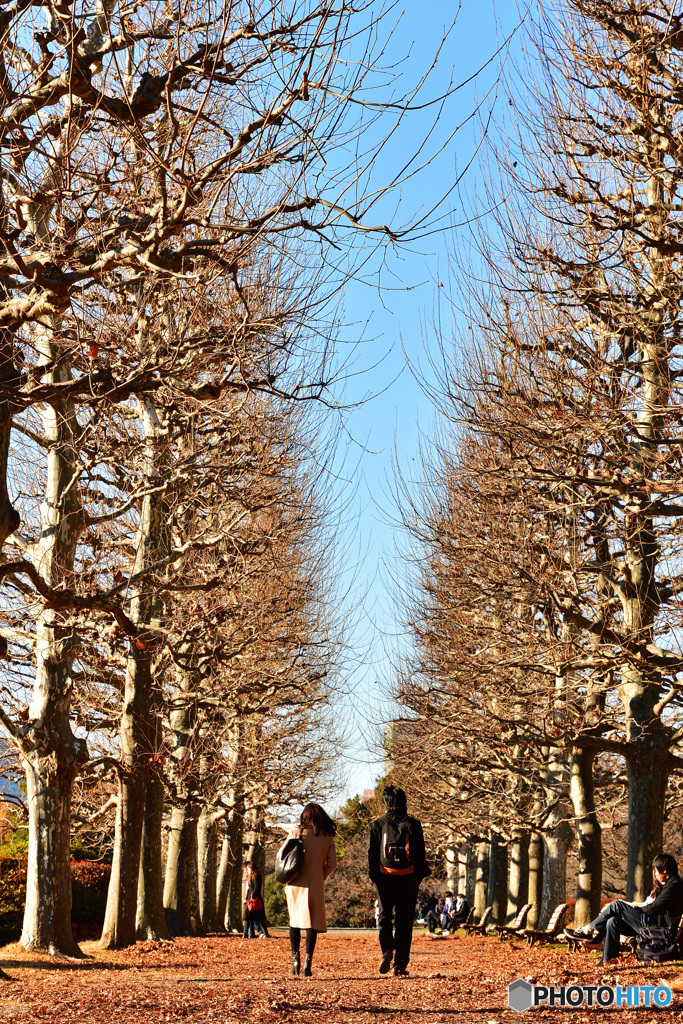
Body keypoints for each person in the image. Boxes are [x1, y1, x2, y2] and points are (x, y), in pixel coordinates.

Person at [564, 853, 683, 963]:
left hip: (660, 930)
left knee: (617, 905)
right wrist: (632, 910)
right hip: (655, 925)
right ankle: (608, 960)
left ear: (664, 870)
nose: (655, 875)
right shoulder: (669, 885)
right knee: (613, 921)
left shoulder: (673, 886)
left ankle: (589, 931)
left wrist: (632, 911)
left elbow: (653, 909)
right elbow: (653, 907)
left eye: (656, 871)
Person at [368, 785, 430, 976]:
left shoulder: (378, 825)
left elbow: (372, 855)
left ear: (386, 802)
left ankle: (387, 949)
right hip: (408, 878)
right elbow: (420, 854)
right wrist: (417, 877)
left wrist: (375, 877)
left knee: (384, 916)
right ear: (404, 802)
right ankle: (400, 965)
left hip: (384, 877)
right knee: (404, 920)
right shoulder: (414, 824)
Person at [285, 802, 337, 977]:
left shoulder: (295, 832)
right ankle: (308, 962)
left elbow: (282, 856)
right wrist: (321, 875)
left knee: (294, 921)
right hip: (315, 883)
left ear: (304, 816)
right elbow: (332, 863)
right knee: (312, 923)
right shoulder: (327, 837)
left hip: (294, 882)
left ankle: (295, 961)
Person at [243, 862, 269, 939]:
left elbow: (257, 888)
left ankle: (265, 933)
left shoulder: (256, 876)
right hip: (250, 899)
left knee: (258, 918)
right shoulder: (250, 877)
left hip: (254, 900)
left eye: (248, 869)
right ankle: (245, 934)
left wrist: (253, 896)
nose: (247, 870)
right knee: (248, 917)